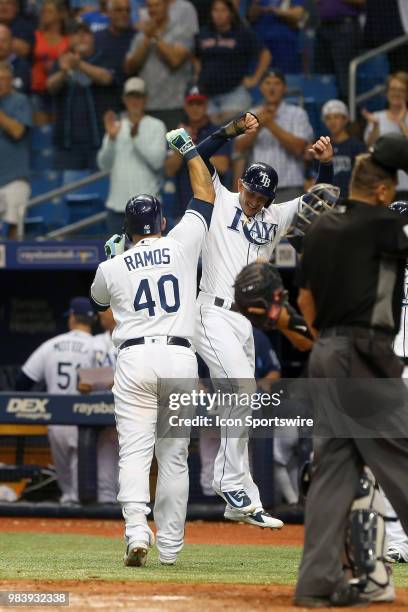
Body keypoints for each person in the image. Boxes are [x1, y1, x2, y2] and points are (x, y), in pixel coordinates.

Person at [192, 111, 332, 527]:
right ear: (241, 184)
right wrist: (231, 130)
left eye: (261, 197)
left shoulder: (272, 217)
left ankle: (243, 499)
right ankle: (227, 482)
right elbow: (198, 158)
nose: (254, 201)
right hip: (211, 310)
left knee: (246, 400)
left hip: (244, 322)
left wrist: (323, 163)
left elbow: (320, 202)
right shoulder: (219, 201)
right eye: (251, 192)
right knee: (242, 388)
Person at [89, 126, 215, 567]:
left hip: (136, 358)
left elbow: (99, 302)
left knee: (135, 453)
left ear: (126, 230)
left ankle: (136, 531)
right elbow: (204, 196)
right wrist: (190, 151)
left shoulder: (113, 263)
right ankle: (171, 551)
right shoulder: (180, 244)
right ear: (161, 223)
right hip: (180, 357)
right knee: (175, 457)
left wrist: (113, 255)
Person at [294, 134, 408, 607]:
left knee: (333, 474)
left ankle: (316, 584)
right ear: (381, 191)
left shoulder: (321, 226)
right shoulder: (385, 224)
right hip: (366, 352)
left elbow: (304, 302)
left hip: (326, 351)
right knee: (401, 459)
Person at [15, 297, 95, 505]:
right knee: (83, 488)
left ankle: (67, 509)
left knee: (67, 490)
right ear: (91, 320)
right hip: (86, 420)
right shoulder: (98, 346)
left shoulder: (51, 345)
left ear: (72, 318)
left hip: (57, 419)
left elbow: (22, 382)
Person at [97, 76, 167, 235]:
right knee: (116, 259)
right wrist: (112, 139)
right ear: (124, 99)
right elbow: (103, 165)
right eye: (131, 96)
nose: (135, 101)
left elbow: (157, 162)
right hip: (117, 207)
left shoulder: (157, 125)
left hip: (147, 208)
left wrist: (137, 138)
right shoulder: (115, 126)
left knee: (150, 259)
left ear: (146, 99)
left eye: (139, 96)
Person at [47, 21, 113, 184]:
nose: (82, 36)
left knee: (101, 190)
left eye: (86, 32)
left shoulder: (103, 57)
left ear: (93, 37)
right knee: (67, 195)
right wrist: (63, 71)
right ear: (69, 39)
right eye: (76, 33)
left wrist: (79, 65)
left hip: (100, 142)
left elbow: (106, 78)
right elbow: (50, 86)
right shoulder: (61, 62)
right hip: (67, 144)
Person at [235, 70, 314, 202]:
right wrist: (259, 125)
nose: (272, 88)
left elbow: (299, 149)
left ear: (285, 88)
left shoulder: (297, 114)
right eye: (268, 83)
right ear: (261, 87)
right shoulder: (251, 114)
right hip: (257, 189)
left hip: (291, 187)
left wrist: (270, 123)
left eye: (277, 83)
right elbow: (239, 147)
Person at [195, 0, 271, 124]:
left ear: (230, 13)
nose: (218, 14)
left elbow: (265, 54)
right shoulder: (204, 33)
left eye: (223, 10)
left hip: (234, 92)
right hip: (207, 94)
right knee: (210, 135)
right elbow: (195, 55)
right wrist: (198, 72)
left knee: (230, 132)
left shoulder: (242, 33)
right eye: (215, 11)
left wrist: (255, 79)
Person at [125, 0, 194, 130]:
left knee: (177, 149)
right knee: (150, 150)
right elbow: (129, 67)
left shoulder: (181, 31)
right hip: (146, 108)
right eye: (150, 6)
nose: (153, 9)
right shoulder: (141, 35)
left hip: (175, 107)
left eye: (157, 5)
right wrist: (146, 39)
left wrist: (155, 37)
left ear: (167, 5)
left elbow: (175, 60)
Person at [164, 86, 231, 221]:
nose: (195, 108)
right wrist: (180, 144)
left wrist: (189, 146)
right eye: (191, 103)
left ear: (206, 105)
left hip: (214, 210)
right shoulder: (177, 134)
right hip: (184, 209)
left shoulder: (218, 132)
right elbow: (169, 170)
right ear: (185, 106)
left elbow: (223, 166)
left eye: (199, 103)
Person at [363, 71, 408, 200]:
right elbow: (371, 149)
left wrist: (401, 124)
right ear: (387, 92)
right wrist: (376, 126)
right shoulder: (376, 117)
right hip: (382, 188)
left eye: (401, 90)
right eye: (393, 89)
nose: (396, 93)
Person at [0, 61, 32, 239]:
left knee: (13, 228)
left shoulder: (20, 101)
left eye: (5, 79)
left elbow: (17, 131)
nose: (1, 83)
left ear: (11, 80)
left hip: (15, 178)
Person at [91, 308, 119, 504]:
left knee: (129, 472)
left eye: (105, 310)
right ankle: (105, 523)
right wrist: (108, 379)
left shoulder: (137, 335)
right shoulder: (95, 343)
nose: (101, 314)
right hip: (102, 411)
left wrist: (116, 381)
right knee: (105, 475)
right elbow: (83, 378)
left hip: (133, 410)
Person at [314, 0, 365, 102]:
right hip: (323, 27)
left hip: (344, 26)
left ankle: (348, 114)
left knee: (344, 83)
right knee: (323, 81)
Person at [31, 0, 69, 123]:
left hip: (61, 92)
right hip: (38, 91)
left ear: (60, 14)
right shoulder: (35, 36)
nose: (44, 14)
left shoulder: (68, 39)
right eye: (43, 11)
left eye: (49, 11)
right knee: (40, 133)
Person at [93, 0, 134, 113]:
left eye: (127, 10)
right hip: (102, 103)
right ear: (109, 13)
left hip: (132, 103)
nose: (124, 14)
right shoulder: (96, 39)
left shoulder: (138, 37)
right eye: (119, 10)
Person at [321, 99, 366, 198]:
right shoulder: (322, 146)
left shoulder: (357, 146)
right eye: (328, 118)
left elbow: (363, 177)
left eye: (336, 117)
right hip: (327, 201)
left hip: (351, 200)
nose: (332, 122)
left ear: (345, 120)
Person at [247, 0, 305, 74]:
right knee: (259, 76)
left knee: (286, 77)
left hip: (285, 46)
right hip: (261, 44)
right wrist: (255, 6)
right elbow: (250, 17)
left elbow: (298, 14)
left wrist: (275, 10)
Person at [0, 24, 30, 93]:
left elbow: (20, 88)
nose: (0, 45)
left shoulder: (21, 65)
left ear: (11, 42)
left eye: (3, 41)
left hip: (11, 100)